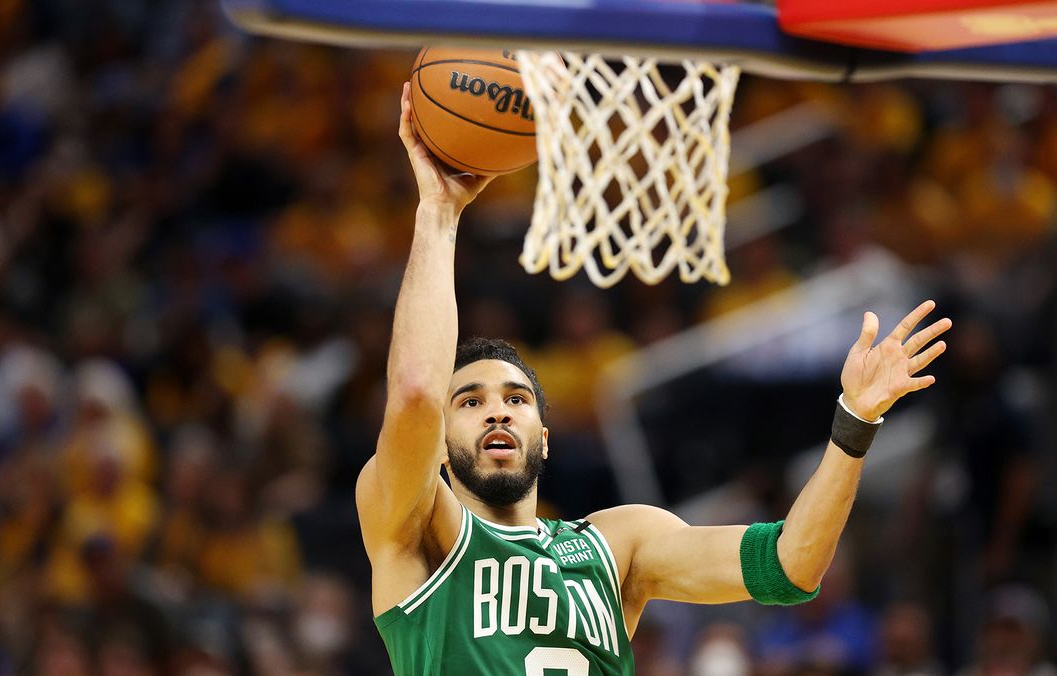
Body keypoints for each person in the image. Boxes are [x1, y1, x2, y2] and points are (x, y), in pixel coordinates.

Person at [355, 82, 953, 675]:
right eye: (469, 401)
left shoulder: (620, 543)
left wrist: (855, 420)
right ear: (439, 440)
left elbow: (791, 566)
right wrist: (437, 213)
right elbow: (413, 395)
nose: (497, 410)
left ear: (544, 436)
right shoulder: (417, 526)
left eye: (516, 398)